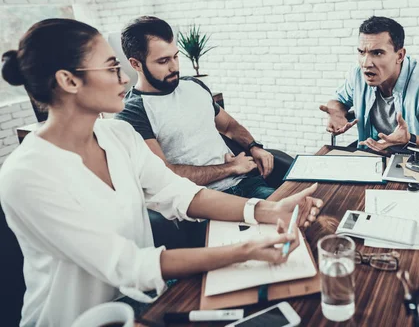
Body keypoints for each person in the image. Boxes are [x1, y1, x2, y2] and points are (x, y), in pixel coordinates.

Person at [0, 18, 323, 327]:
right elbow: (127, 265)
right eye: (113, 68)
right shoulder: (27, 175)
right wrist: (244, 251)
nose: (124, 79)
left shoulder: (119, 136)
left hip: (145, 299)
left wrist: (270, 210)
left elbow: (179, 193)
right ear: (68, 80)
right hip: (80, 319)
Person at [116, 16, 276, 200]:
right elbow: (164, 174)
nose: (174, 67)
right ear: (136, 64)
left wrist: (255, 147)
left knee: (301, 213)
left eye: (175, 56)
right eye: (163, 61)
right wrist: (231, 168)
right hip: (202, 201)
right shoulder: (132, 112)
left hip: (246, 183)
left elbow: (229, 126)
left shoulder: (194, 85)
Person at [319, 16, 419, 156]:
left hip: (414, 166)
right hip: (372, 158)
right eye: (361, 52)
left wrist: (411, 139)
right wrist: (337, 111)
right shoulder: (358, 74)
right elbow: (338, 101)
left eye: (377, 53)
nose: (366, 63)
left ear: (400, 56)